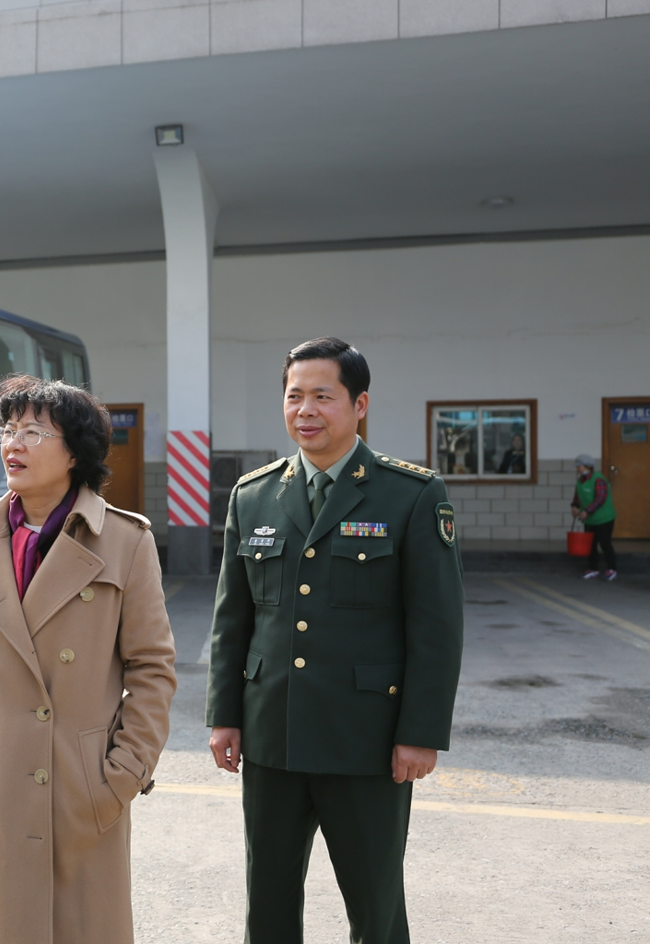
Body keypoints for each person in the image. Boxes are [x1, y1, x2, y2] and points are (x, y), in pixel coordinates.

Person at [206, 337, 464, 944]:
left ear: (359, 404)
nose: (306, 410)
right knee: (267, 903)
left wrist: (421, 732)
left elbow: (437, 627)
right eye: (294, 396)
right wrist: (225, 716)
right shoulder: (254, 495)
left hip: (365, 742)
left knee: (376, 906)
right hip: (272, 736)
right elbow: (232, 619)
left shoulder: (410, 494)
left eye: (323, 396)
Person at [0, 375, 178, 944]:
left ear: (75, 452)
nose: (13, 443)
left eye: (34, 432)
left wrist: (122, 773)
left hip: (77, 790)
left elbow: (152, 669)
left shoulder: (125, 540)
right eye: (8, 430)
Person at [571, 453, 617, 580]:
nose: (577, 469)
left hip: (604, 518)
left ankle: (612, 569)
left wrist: (587, 511)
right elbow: (577, 497)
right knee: (590, 544)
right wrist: (575, 507)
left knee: (605, 543)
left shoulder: (598, 479)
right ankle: (593, 569)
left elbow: (600, 498)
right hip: (590, 519)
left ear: (587, 466)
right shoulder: (580, 481)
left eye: (579, 466)